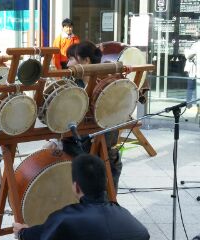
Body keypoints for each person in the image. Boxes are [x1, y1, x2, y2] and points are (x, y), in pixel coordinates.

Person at [44, 41, 122, 192]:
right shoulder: (73, 84)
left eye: (72, 58)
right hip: (83, 146)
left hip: (99, 149)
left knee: (106, 166)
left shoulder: (108, 83)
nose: (68, 64)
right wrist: (56, 139)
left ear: (86, 61)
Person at [13, 154, 150, 240]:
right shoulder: (125, 215)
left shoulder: (64, 218)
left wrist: (22, 233)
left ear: (76, 187)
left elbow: (44, 233)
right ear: (106, 182)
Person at [184, 35, 200, 108]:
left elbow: (188, 56)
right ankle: (195, 103)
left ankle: (189, 103)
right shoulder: (195, 45)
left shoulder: (195, 45)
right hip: (194, 70)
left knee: (191, 87)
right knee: (194, 87)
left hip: (194, 71)